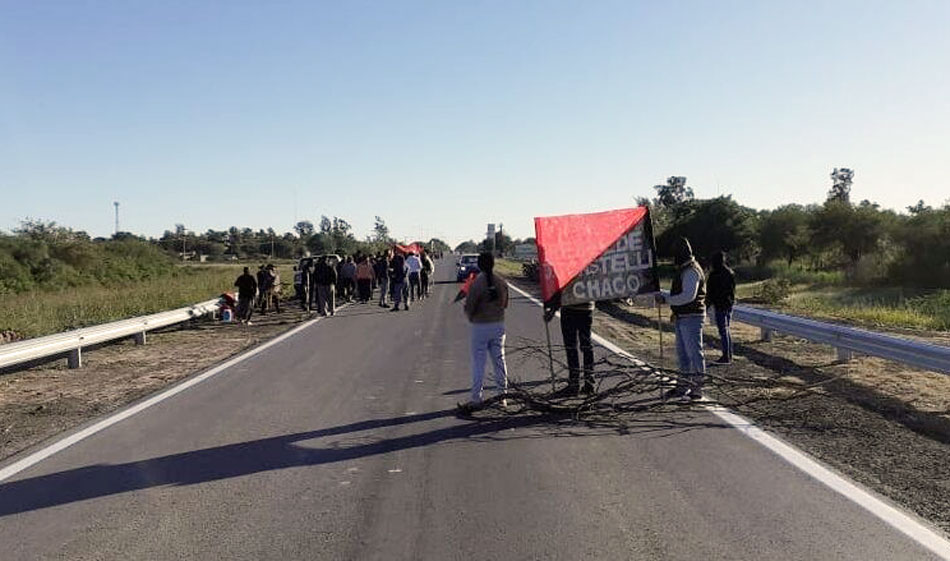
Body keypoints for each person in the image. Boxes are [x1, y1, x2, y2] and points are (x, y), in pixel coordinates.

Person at [656, 237, 707, 400]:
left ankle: (697, 388)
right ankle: (683, 386)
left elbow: (688, 296)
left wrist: (667, 300)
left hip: (692, 317)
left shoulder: (692, 271)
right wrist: (674, 309)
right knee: (683, 355)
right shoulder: (684, 269)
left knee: (694, 354)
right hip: (682, 316)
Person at [459, 252, 510, 411]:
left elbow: (470, 307)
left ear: (479, 265)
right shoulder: (501, 282)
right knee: (499, 362)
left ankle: (476, 398)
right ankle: (503, 397)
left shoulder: (476, 283)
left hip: (480, 326)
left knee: (478, 364)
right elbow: (505, 304)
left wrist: (468, 313)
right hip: (498, 325)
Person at [544, 295, 596, 395]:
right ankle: (589, 383)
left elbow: (561, 287)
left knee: (571, 347)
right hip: (586, 308)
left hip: (570, 307)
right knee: (586, 346)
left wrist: (552, 308)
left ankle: (574, 384)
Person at [707, 250, 736, 364]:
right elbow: (732, 290)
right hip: (728, 304)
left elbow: (710, 292)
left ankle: (726, 356)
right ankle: (729, 354)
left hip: (720, 305)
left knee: (723, 330)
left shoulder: (714, 275)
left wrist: (707, 305)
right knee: (726, 329)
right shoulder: (730, 273)